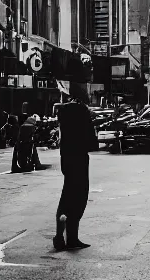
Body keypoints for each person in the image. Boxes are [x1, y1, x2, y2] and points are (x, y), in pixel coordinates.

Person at [53, 100, 98, 251]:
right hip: (79, 162)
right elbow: (92, 143)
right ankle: (71, 237)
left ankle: (62, 236)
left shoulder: (64, 125)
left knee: (67, 198)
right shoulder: (81, 126)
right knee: (78, 200)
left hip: (68, 162)